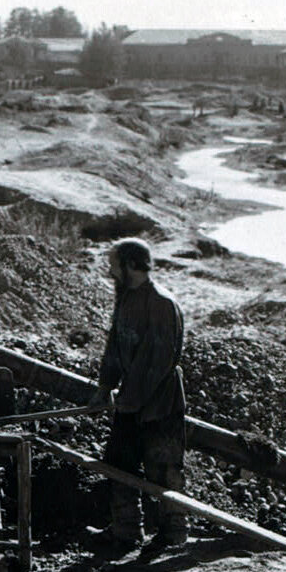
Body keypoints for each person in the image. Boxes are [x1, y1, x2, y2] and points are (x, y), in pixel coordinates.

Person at [89, 237, 188, 553]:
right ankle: (126, 529)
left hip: (160, 401)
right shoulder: (125, 300)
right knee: (120, 463)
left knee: (163, 468)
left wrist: (130, 399)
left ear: (131, 265)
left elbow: (155, 362)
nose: (110, 272)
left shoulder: (160, 303)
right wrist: (105, 387)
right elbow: (115, 349)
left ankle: (173, 534)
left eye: (114, 265)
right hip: (131, 400)